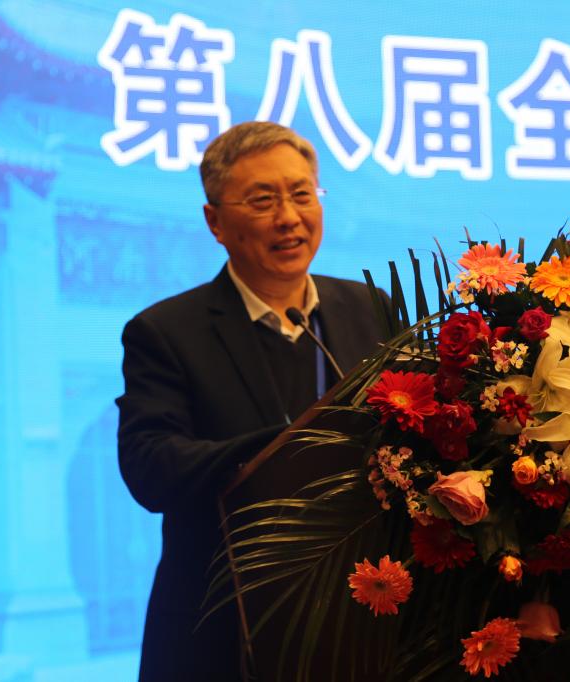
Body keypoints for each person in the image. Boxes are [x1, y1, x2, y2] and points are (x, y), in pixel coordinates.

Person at [116, 121, 388, 681]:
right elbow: (150, 466)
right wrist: (287, 450)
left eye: (301, 194)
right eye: (262, 201)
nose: (288, 217)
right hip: (223, 628)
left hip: (363, 621)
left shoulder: (371, 309)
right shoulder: (165, 332)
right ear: (215, 221)